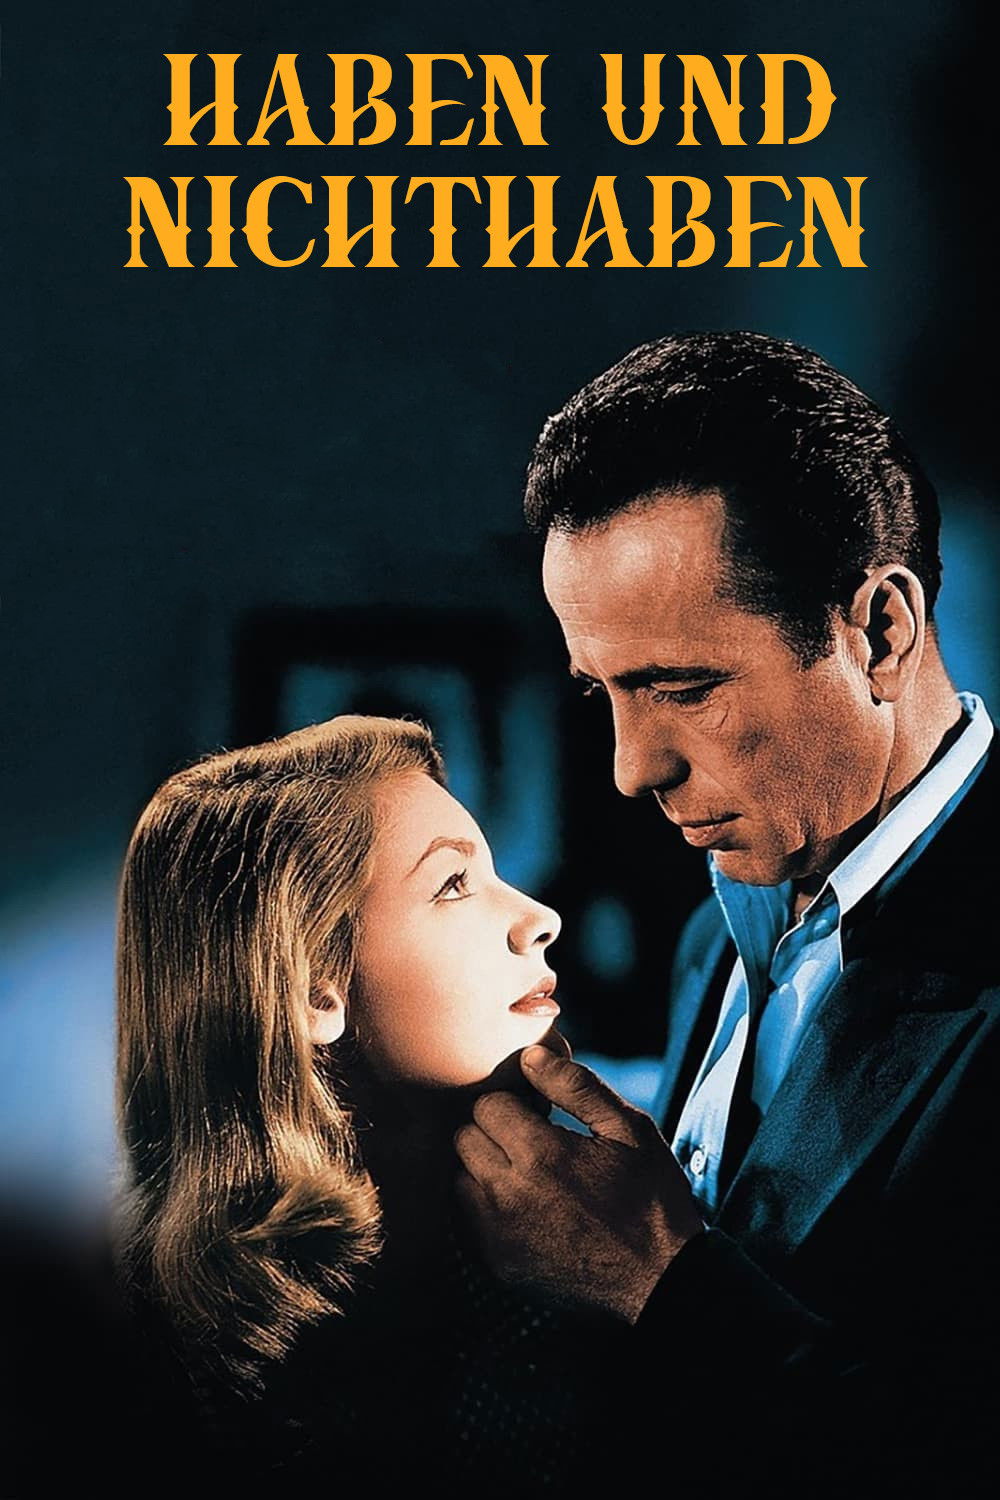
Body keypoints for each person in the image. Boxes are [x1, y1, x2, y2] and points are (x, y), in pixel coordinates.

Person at [454, 331, 1000, 1491]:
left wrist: (659, 1283)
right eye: (602, 693)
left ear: (880, 633)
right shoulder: (719, 925)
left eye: (682, 688)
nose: (630, 768)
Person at [113, 714, 618, 1494]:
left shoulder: (560, 1251)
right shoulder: (135, 1348)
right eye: (454, 884)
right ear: (315, 988)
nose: (540, 919)